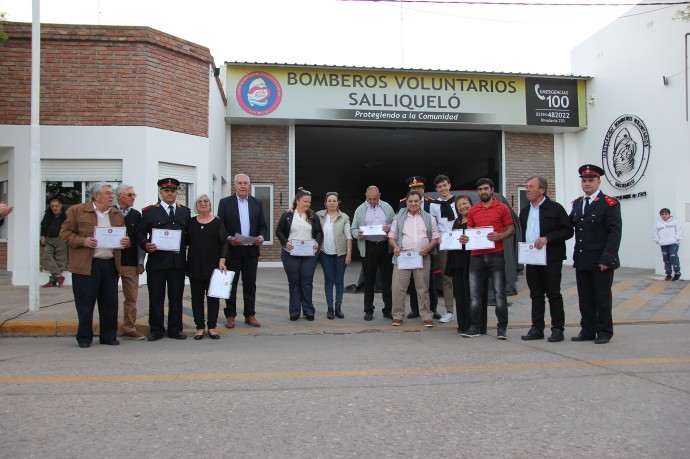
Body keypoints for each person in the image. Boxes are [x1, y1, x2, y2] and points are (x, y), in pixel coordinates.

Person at [60, 183, 130, 348]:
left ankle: (108, 336)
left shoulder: (116, 213)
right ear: (96, 195)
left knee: (110, 303)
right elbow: (64, 234)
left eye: (111, 193)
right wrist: (82, 241)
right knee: (85, 303)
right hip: (86, 265)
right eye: (107, 193)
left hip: (110, 264)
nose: (111, 196)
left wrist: (126, 241)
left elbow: (123, 236)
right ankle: (84, 337)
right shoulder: (77, 210)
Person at [569, 164, 622, 344]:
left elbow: (615, 232)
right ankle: (588, 330)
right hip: (583, 259)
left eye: (591, 180)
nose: (587, 184)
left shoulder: (609, 204)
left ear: (598, 181)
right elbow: (569, 227)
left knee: (602, 298)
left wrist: (608, 257)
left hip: (601, 260)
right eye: (584, 180)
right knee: (585, 298)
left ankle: (604, 331)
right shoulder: (577, 204)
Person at [519, 176, 574, 343]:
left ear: (542, 189)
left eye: (531, 187)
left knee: (553, 294)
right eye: (526, 187)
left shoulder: (555, 209)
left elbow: (568, 231)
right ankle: (537, 328)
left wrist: (548, 238)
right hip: (532, 258)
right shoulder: (525, 211)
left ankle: (557, 329)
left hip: (551, 258)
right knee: (536, 295)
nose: (527, 190)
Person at [460, 178, 514, 339]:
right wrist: (465, 238)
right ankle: (475, 327)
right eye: (480, 189)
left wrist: (501, 235)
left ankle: (502, 328)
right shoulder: (474, 210)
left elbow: (510, 229)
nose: (483, 192)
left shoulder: (502, 208)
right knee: (475, 295)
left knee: (499, 294)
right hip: (476, 256)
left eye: (486, 189)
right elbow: (469, 230)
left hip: (496, 255)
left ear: (492, 190)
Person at [137, 178, 191, 341]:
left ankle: (175, 329)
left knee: (176, 298)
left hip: (177, 263)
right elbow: (140, 233)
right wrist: (146, 244)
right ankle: (157, 330)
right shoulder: (149, 212)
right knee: (156, 298)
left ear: (176, 193)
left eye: (173, 191)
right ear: (160, 192)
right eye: (166, 191)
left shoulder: (185, 212)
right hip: (157, 262)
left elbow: (189, 236)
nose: (170, 193)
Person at [217, 173, 268, 328]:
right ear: (235, 185)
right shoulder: (225, 203)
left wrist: (261, 237)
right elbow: (221, 228)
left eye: (246, 183)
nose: (243, 186)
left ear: (249, 185)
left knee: (250, 284)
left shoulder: (257, 203)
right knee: (231, 284)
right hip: (233, 251)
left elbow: (263, 226)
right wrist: (229, 238)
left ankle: (249, 315)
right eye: (240, 183)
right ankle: (230, 315)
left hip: (251, 251)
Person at [388, 190, 440, 327]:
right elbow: (392, 236)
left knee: (422, 288)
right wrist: (395, 247)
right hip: (403, 256)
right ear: (406, 202)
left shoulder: (429, 218)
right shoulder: (399, 217)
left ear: (421, 202)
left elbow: (435, 237)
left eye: (416, 201)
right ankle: (398, 315)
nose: (413, 203)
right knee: (398, 288)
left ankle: (426, 316)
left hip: (422, 256)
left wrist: (428, 248)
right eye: (410, 201)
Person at [276, 187, 323, 321]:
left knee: (307, 281)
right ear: (297, 200)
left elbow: (319, 232)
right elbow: (279, 231)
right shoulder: (288, 215)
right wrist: (285, 242)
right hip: (290, 253)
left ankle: (308, 310)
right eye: (305, 201)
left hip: (309, 254)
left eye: (309, 202)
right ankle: (294, 311)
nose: (307, 204)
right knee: (294, 281)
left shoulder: (313, 216)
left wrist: (317, 243)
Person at [399, 176, 441, 320]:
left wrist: (431, 246)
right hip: (409, 252)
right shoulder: (402, 204)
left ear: (423, 189)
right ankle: (415, 309)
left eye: (419, 188)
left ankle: (432, 309)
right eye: (413, 188)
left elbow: (437, 225)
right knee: (412, 281)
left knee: (430, 280)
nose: (417, 190)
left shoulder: (432, 204)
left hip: (428, 250)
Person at [186, 194, 228, 340]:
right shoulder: (190, 222)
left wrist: (222, 260)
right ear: (196, 206)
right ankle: (199, 327)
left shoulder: (217, 222)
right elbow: (184, 242)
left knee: (213, 298)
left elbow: (224, 243)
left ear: (210, 205)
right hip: (194, 265)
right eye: (200, 202)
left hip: (213, 267)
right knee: (196, 298)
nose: (203, 204)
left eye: (206, 201)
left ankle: (212, 327)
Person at [351, 185, 396, 320]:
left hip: (385, 247)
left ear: (379, 195)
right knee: (369, 280)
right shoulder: (360, 210)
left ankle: (388, 309)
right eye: (369, 199)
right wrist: (357, 233)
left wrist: (389, 228)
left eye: (374, 199)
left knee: (387, 280)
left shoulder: (387, 207)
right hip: (368, 247)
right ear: (366, 196)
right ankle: (368, 310)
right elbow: (353, 229)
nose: (372, 201)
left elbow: (396, 225)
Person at [444, 195, 488, 334]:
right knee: (461, 294)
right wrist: (444, 241)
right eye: (459, 206)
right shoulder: (456, 222)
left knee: (474, 294)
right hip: (458, 262)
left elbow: (483, 238)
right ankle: (463, 324)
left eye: (465, 204)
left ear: (471, 204)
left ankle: (476, 326)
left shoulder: (478, 219)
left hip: (474, 261)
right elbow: (452, 241)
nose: (462, 207)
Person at [114, 184, 146, 340]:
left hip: (131, 262)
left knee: (131, 298)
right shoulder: (110, 212)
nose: (133, 198)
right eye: (130, 195)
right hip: (110, 262)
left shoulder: (136, 215)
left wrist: (141, 261)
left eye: (134, 195)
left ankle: (129, 327)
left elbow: (140, 239)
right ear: (119, 196)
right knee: (108, 297)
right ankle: (109, 326)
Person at [316, 192, 352, 319]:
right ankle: (330, 308)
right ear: (325, 203)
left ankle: (338, 307)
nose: (331, 202)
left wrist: (349, 254)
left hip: (340, 254)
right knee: (329, 280)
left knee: (339, 281)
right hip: (325, 253)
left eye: (334, 200)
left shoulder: (344, 218)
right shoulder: (319, 216)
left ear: (338, 202)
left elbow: (348, 237)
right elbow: (304, 214)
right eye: (329, 200)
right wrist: (291, 209)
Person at [430, 174, 458, 323]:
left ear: (449, 185)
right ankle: (449, 310)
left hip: (460, 242)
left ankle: (466, 306)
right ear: (436, 189)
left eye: (445, 185)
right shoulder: (434, 205)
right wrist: (437, 237)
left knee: (463, 276)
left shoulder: (459, 201)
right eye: (439, 186)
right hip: (444, 244)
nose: (443, 188)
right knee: (447, 277)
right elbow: (434, 225)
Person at [40, 198, 68, 288]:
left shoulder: (66, 215)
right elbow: (43, 225)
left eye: (56, 206)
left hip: (61, 239)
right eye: (52, 206)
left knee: (60, 260)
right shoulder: (48, 214)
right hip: (49, 239)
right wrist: (43, 236)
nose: (54, 208)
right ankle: (59, 276)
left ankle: (52, 281)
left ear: (60, 206)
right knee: (46, 256)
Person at [654, 208, 682, 281]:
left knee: (673, 257)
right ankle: (668, 274)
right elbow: (655, 234)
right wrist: (658, 241)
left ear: (669, 214)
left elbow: (679, 231)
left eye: (666, 214)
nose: (664, 216)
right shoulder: (658, 224)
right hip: (663, 244)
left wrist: (675, 239)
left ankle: (677, 273)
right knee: (666, 259)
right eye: (662, 214)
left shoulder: (675, 222)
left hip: (673, 243)